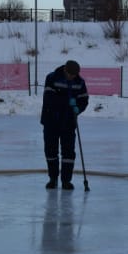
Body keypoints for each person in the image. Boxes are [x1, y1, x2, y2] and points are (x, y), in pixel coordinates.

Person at [40, 60, 89, 190]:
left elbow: (84, 99)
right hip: (51, 120)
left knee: (68, 153)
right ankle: (53, 178)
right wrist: (68, 102)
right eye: (70, 74)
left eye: (74, 75)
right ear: (65, 70)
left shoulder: (80, 82)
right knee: (51, 151)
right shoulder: (52, 78)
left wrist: (78, 108)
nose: (72, 77)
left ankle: (66, 180)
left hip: (68, 122)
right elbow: (50, 98)